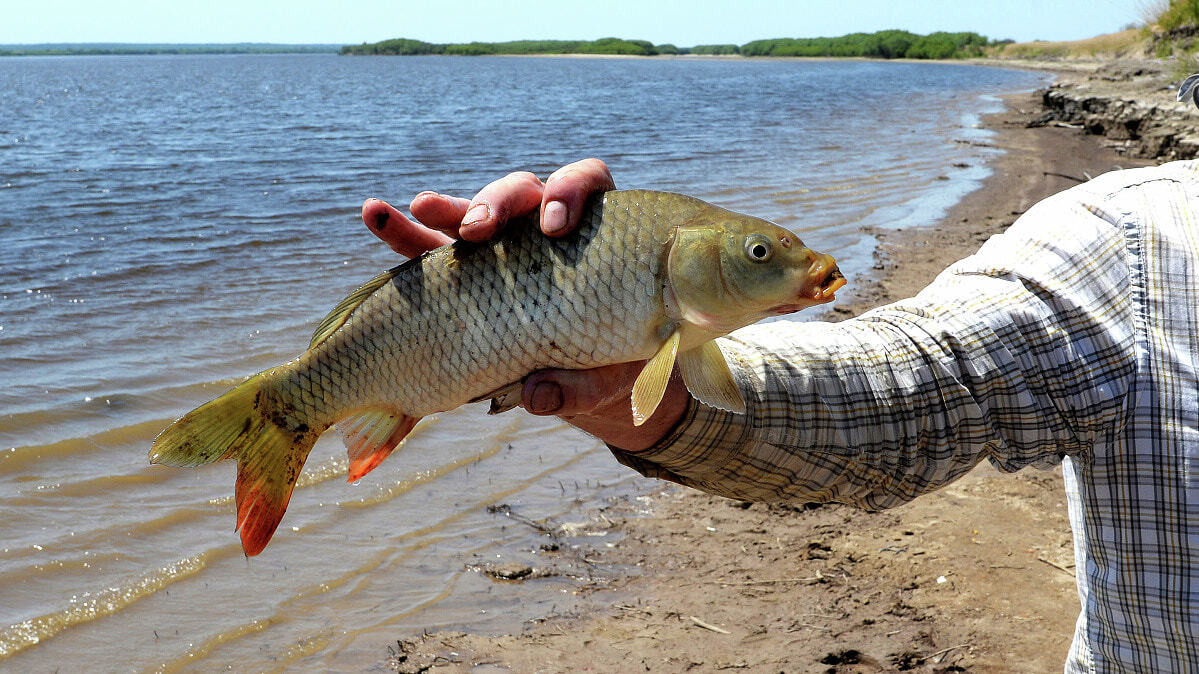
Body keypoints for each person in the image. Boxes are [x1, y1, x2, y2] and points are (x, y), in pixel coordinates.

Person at [361, 157, 1197, 672]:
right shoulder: (1132, 239)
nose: (798, 268)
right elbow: (911, 392)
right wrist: (616, 394)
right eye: (760, 256)